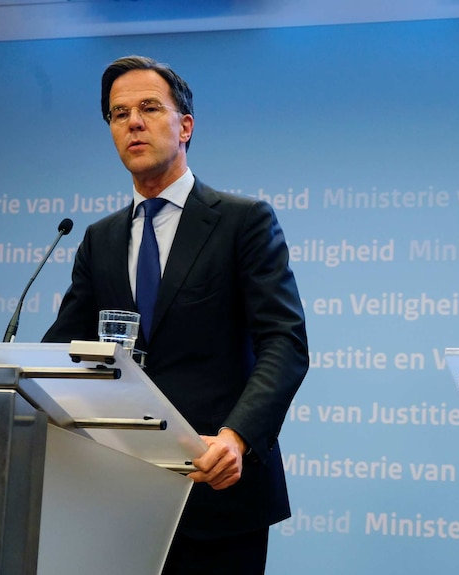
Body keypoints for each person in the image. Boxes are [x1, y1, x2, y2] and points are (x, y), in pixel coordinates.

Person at [43, 55, 309, 574]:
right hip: (120, 492)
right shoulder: (100, 239)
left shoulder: (241, 221)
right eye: (119, 114)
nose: (133, 123)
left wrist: (238, 437)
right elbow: (63, 353)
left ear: (185, 125)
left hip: (216, 488)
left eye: (148, 108)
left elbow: (285, 342)